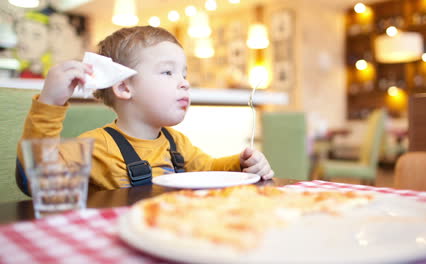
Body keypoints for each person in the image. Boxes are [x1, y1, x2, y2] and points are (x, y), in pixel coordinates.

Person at [16, 26, 274, 193]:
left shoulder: (178, 144)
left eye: (184, 73)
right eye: (167, 72)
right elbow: (38, 179)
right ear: (125, 87)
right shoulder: (96, 146)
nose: (184, 82)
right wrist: (49, 103)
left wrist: (241, 164)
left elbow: (208, 169)